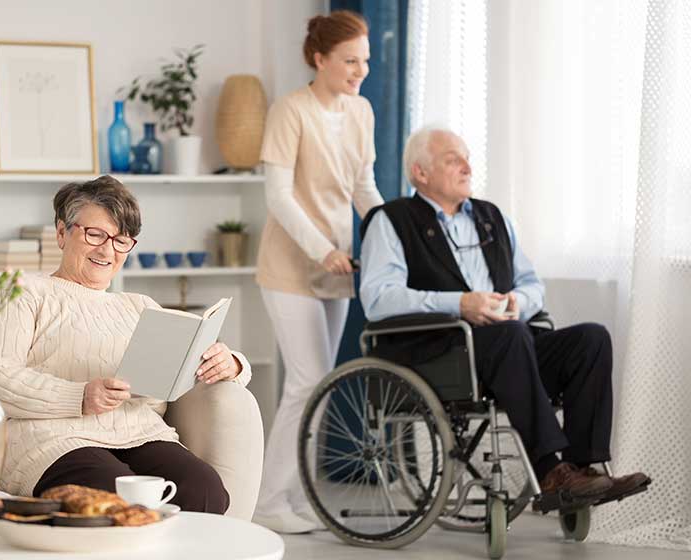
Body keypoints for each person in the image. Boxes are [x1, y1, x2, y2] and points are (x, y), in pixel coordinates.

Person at [359, 127, 649, 508]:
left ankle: (583, 469)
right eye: (452, 159)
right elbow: (378, 299)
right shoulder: (391, 221)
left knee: (591, 339)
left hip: (510, 346)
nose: (467, 166)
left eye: (466, 157)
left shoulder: (491, 218)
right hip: (441, 353)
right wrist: (459, 303)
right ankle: (550, 470)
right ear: (420, 173)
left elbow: (532, 284)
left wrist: (518, 301)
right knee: (510, 335)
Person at [0, 175, 251, 513]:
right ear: (62, 232)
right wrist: (79, 397)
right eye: (95, 234)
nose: (107, 250)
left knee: (205, 492)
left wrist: (232, 363)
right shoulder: (23, 291)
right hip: (54, 440)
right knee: (115, 502)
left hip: (140, 433)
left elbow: (192, 356)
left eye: (121, 240)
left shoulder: (140, 305)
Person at [253, 10, 384, 534]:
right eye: (350, 60)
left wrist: (390, 232)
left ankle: (293, 494)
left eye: (365, 61)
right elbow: (278, 196)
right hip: (290, 264)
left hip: (338, 267)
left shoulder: (362, 111)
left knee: (320, 384)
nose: (360, 70)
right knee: (305, 380)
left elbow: (364, 189)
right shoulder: (291, 111)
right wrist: (319, 247)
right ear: (320, 59)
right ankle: (267, 501)